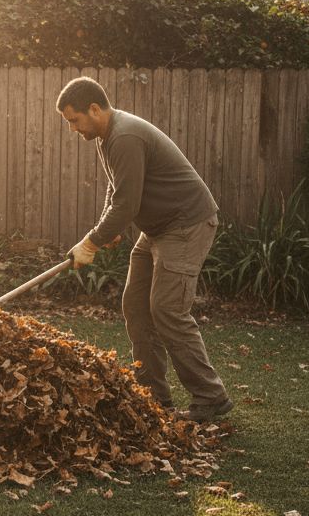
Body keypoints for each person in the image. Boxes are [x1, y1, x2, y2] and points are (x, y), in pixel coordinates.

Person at [56, 76, 233, 423]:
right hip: (157, 228)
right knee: (136, 306)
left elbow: (125, 206)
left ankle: (211, 397)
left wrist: (91, 243)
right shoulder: (106, 135)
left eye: (74, 120)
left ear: (94, 109)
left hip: (185, 224)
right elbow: (118, 188)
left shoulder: (124, 136)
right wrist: (108, 231)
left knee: (167, 309)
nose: (73, 129)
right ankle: (153, 399)